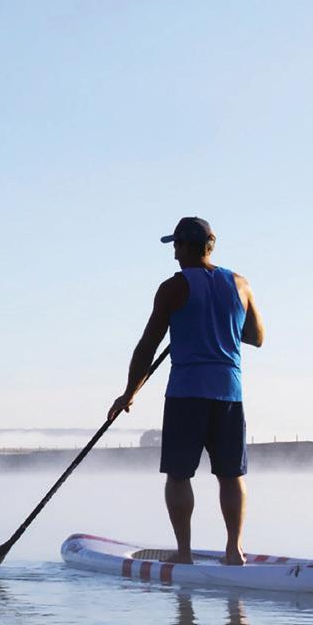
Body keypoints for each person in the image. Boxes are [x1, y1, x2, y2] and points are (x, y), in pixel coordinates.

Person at [111, 217, 264, 565]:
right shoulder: (240, 284)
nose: (174, 253)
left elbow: (147, 347)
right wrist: (221, 322)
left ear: (183, 247)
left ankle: (183, 554)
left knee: (179, 475)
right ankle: (234, 551)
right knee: (231, 475)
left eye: (176, 246)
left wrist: (129, 393)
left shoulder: (173, 288)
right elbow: (256, 336)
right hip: (229, 393)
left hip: (187, 394)